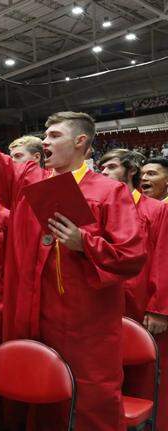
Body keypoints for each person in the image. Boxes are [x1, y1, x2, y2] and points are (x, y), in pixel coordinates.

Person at [0, 78, 146, 429]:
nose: (45, 142)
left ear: (80, 142)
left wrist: (85, 243)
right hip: (29, 315)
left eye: (55, 136)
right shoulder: (30, 182)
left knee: (85, 400)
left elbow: (132, 254)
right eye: (44, 136)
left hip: (83, 323)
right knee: (26, 393)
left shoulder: (108, 192)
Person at [100, 149, 168, 430]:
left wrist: (160, 308)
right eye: (101, 167)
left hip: (143, 304)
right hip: (108, 303)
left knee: (149, 374)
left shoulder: (156, 209)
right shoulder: (103, 206)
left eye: (111, 167)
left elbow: (164, 258)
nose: (103, 172)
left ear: (131, 171)